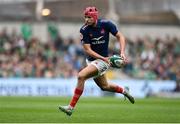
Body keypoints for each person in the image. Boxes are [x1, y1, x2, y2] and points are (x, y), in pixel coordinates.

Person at [59, 6, 135, 116]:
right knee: (104, 86)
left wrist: (122, 52)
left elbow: (121, 37)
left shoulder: (107, 24)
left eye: (89, 17)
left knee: (81, 76)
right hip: (93, 60)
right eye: (85, 17)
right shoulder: (84, 30)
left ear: (95, 17)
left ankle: (70, 107)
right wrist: (103, 58)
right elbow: (88, 50)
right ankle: (124, 91)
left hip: (102, 62)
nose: (86, 19)